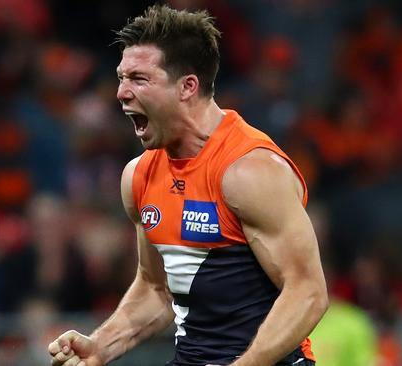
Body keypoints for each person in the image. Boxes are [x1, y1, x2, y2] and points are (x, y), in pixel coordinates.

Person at [48, 5, 328, 366]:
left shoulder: (249, 171)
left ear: (187, 87)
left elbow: (308, 292)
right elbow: (155, 288)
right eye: (121, 77)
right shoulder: (139, 175)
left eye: (138, 78)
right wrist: (101, 345)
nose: (120, 92)